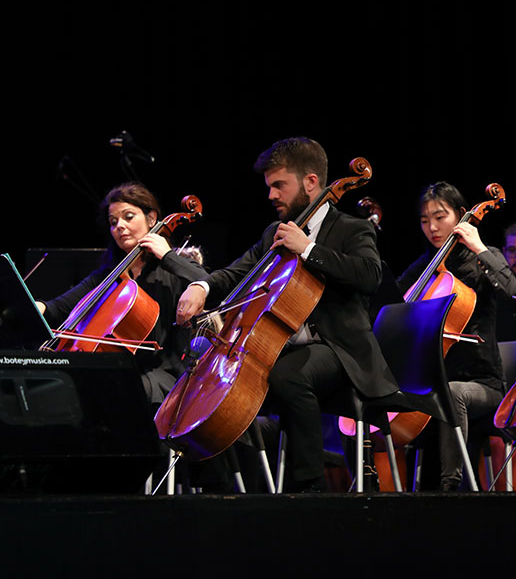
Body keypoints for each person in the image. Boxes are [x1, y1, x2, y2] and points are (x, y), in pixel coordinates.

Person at [175, 138, 397, 492]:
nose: (271, 195)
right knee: (234, 386)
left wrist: (308, 249)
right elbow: (238, 272)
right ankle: (230, 487)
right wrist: (201, 287)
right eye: (269, 187)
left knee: (287, 377)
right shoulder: (273, 234)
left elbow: (370, 276)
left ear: (310, 182)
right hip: (287, 347)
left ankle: (307, 487)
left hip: (340, 349)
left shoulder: (352, 228)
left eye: (280, 185)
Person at [396, 181, 516, 490]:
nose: (432, 228)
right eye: (425, 221)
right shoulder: (424, 268)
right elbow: (393, 308)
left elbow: (515, 293)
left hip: (483, 385)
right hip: (431, 383)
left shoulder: (482, 258)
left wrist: (478, 245)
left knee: (453, 393)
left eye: (440, 217)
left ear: (461, 215)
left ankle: (451, 488)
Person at [37, 182, 209, 406]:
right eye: (113, 222)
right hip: (120, 373)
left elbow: (209, 283)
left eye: (128, 217)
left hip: (165, 375)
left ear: (151, 219)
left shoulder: (173, 267)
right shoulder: (109, 276)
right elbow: (57, 309)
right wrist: (30, 307)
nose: (120, 226)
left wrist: (167, 255)